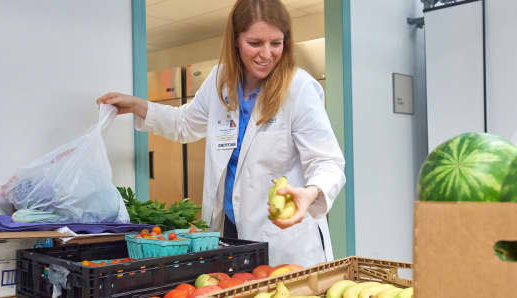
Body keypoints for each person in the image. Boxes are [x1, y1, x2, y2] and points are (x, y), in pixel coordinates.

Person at [97, 0, 345, 267]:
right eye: (255, 43)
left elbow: (327, 161)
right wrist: (139, 106)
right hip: (229, 232)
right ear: (236, 41)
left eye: (276, 43)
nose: (267, 54)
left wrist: (311, 192)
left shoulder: (299, 88)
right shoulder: (220, 79)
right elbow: (185, 123)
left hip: (283, 239)